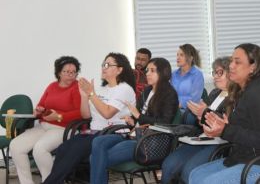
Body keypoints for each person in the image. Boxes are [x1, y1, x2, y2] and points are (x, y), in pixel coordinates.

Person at [189, 43, 260, 184]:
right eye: (232, 60)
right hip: (245, 158)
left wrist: (225, 130)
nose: (231, 65)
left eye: (237, 62)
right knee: (195, 175)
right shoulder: (243, 91)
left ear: (253, 67)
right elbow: (242, 129)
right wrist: (220, 128)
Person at [43, 52, 136, 184]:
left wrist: (91, 94)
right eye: (103, 64)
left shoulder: (124, 89)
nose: (104, 67)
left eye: (108, 64)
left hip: (113, 133)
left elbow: (107, 113)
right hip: (94, 132)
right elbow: (86, 115)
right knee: (63, 149)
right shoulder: (102, 88)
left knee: (74, 151)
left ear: (120, 69)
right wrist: (84, 96)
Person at [90, 57, 179, 184]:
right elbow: (138, 115)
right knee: (98, 141)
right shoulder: (147, 90)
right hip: (133, 135)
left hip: (147, 141)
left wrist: (138, 117)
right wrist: (131, 120)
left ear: (163, 73)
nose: (147, 73)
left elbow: (164, 123)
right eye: (147, 70)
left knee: (96, 158)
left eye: (152, 70)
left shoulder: (170, 94)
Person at [10, 56, 82, 184]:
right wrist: (38, 111)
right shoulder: (52, 86)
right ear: (59, 72)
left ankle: (50, 181)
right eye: (67, 71)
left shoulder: (77, 88)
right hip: (45, 126)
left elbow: (81, 113)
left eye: (74, 72)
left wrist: (59, 116)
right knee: (16, 146)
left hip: (65, 128)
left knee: (40, 149)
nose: (71, 75)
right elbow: (41, 105)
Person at [161, 56, 233, 184]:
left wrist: (206, 114)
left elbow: (229, 122)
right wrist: (200, 117)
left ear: (232, 73)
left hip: (220, 143)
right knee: (169, 164)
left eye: (219, 73)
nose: (215, 76)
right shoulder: (215, 93)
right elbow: (201, 120)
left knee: (189, 171)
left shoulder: (237, 96)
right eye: (214, 72)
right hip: (203, 138)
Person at [171, 43, 204, 124]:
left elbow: (195, 99)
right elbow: (169, 93)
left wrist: (179, 104)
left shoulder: (197, 74)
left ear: (190, 58)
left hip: (188, 110)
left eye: (181, 55)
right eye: (177, 55)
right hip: (173, 108)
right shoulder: (173, 74)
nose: (177, 58)